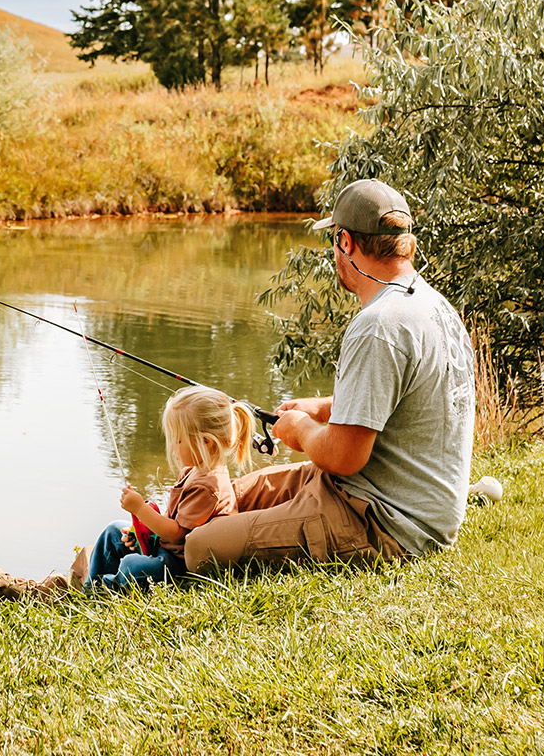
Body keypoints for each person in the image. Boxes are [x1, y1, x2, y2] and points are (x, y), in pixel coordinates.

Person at [183, 178, 475, 572]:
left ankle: (120, 575)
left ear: (345, 243)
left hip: (388, 522)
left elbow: (344, 455)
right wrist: (322, 408)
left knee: (200, 545)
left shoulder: (379, 325)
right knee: (227, 497)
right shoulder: (432, 304)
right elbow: (408, 404)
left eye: (334, 243)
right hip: (393, 500)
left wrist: (301, 430)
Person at [0, 385, 249, 601]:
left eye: (178, 440)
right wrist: (143, 532)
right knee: (113, 532)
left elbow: (176, 533)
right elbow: (172, 528)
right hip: (168, 552)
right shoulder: (193, 472)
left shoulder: (209, 486)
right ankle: (90, 590)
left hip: (180, 568)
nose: (174, 447)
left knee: (133, 565)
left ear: (205, 443)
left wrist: (140, 509)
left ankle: (98, 593)